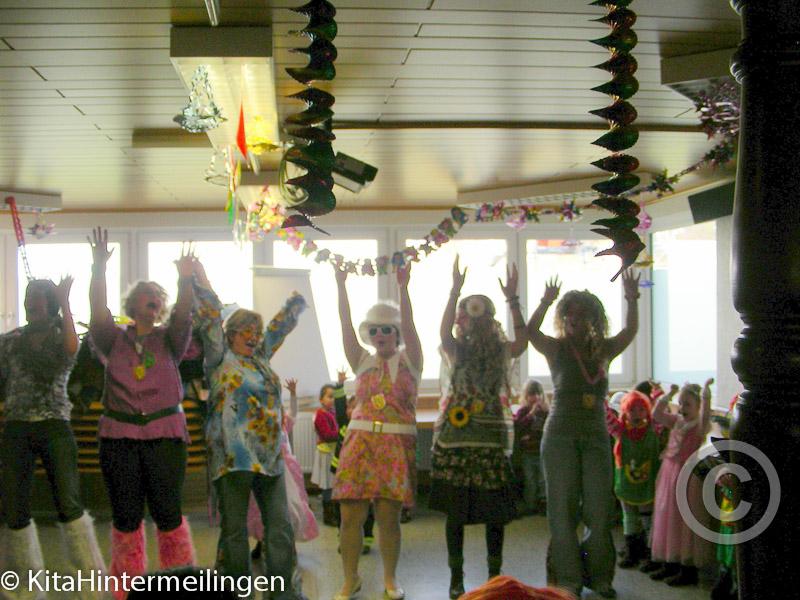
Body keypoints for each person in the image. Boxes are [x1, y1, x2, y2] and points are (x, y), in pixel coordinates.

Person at [88, 229, 197, 599]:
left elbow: (184, 314)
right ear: (132, 304)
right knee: (125, 517)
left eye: (157, 297)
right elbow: (97, 313)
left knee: (168, 513)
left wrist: (185, 279)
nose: (152, 300)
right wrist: (99, 268)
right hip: (119, 439)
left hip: (165, 437)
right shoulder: (113, 339)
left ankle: (180, 586)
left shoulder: (170, 339)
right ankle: (127, 591)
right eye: (145, 295)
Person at [191, 261, 307, 600]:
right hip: (232, 458)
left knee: (280, 528)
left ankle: (283, 594)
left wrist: (295, 302)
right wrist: (201, 278)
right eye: (246, 331)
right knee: (235, 532)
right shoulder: (219, 357)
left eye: (256, 332)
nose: (254, 337)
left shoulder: (261, 358)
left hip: (269, 456)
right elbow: (211, 318)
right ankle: (236, 595)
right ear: (230, 334)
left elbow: (278, 329)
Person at [527, 271, 640, 599]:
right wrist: (545, 302)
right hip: (560, 436)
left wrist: (632, 298)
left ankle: (599, 577)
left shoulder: (604, 349)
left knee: (599, 510)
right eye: (569, 315)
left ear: (594, 319)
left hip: (594, 436)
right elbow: (531, 332)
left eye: (582, 314)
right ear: (563, 318)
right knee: (562, 512)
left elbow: (630, 330)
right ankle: (568, 580)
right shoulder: (556, 348)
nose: (575, 320)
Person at [0, 277, 106, 600]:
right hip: (17, 427)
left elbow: (71, 350)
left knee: (69, 504)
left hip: (55, 427)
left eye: (37, 297)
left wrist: (66, 302)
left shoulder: (63, 336)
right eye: (28, 296)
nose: (30, 301)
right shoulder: (10, 341)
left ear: (50, 304)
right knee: (14, 508)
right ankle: (24, 589)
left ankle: (90, 585)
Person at [430, 258, 528, 599]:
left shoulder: (500, 351)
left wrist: (513, 299)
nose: (474, 320)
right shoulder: (457, 350)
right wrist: (454, 291)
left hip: (489, 441)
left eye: (479, 314)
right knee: (456, 511)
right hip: (456, 441)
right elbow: (443, 333)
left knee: (494, 512)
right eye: (468, 314)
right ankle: (456, 578)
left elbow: (522, 342)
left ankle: (494, 576)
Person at [331, 263, 422, 600]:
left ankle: (390, 579)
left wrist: (404, 288)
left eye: (387, 329)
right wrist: (341, 285)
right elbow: (344, 324)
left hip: (394, 445)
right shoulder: (361, 361)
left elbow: (411, 325)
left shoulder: (411, 361)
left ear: (396, 333)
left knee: (388, 517)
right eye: (374, 330)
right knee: (349, 516)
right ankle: (350, 578)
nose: (380, 335)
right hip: (359, 443)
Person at [647, 379, 715, 586]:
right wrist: (668, 395)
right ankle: (669, 562)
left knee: (682, 521)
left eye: (688, 404)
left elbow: (705, 415)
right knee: (666, 516)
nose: (683, 408)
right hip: (669, 472)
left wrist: (705, 394)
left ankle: (687, 569)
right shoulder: (676, 420)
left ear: (698, 407)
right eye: (681, 403)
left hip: (687, 477)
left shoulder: (700, 426)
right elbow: (656, 414)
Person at [604, 390, 661, 569]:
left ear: (647, 411)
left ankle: (651, 553)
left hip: (646, 485)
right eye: (632, 410)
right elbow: (607, 418)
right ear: (625, 412)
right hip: (626, 484)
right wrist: (601, 398)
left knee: (647, 519)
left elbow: (659, 412)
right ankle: (632, 550)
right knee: (629, 517)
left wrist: (658, 395)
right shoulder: (620, 431)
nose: (637, 414)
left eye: (641, 410)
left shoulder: (654, 429)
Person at [513, 378, 549, 516]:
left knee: (542, 479)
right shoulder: (523, 411)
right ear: (526, 396)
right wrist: (531, 414)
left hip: (541, 452)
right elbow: (518, 426)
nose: (536, 397)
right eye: (533, 394)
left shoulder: (545, 412)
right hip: (528, 453)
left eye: (539, 394)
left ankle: (543, 503)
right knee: (530, 480)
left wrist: (547, 413)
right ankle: (530, 504)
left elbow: (548, 430)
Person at [311, 380, 341, 527]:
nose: (332, 399)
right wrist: (342, 433)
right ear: (321, 399)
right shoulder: (320, 414)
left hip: (332, 452)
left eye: (334, 397)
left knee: (333, 482)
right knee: (327, 484)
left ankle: (334, 511)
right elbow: (327, 435)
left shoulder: (332, 412)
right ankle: (328, 515)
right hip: (325, 454)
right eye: (329, 396)